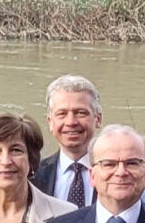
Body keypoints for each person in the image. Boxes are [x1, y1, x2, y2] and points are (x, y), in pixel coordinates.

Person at [36, 76, 102, 207]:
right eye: (62, 114)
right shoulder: (33, 175)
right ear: (50, 122)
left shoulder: (117, 174)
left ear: (98, 119)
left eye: (81, 113)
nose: (71, 122)